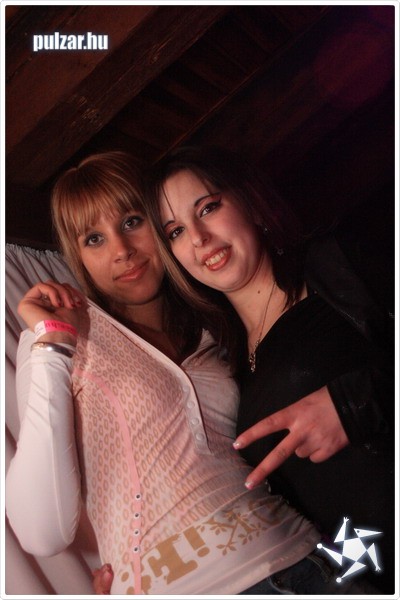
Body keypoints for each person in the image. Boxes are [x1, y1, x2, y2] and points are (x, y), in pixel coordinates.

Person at [7, 150, 372, 596]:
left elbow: (305, 474)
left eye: (132, 221)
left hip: (310, 562)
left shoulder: (218, 330)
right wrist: (52, 342)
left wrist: (358, 562)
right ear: (77, 257)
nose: (122, 251)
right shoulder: (60, 340)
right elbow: (41, 533)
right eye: (94, 239)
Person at [144, 145, 395, 593]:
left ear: (250, 203)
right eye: (176, 231)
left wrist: (354, 403)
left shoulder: (338, 262)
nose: (198, 237)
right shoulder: (230, 367)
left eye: (208, 208)